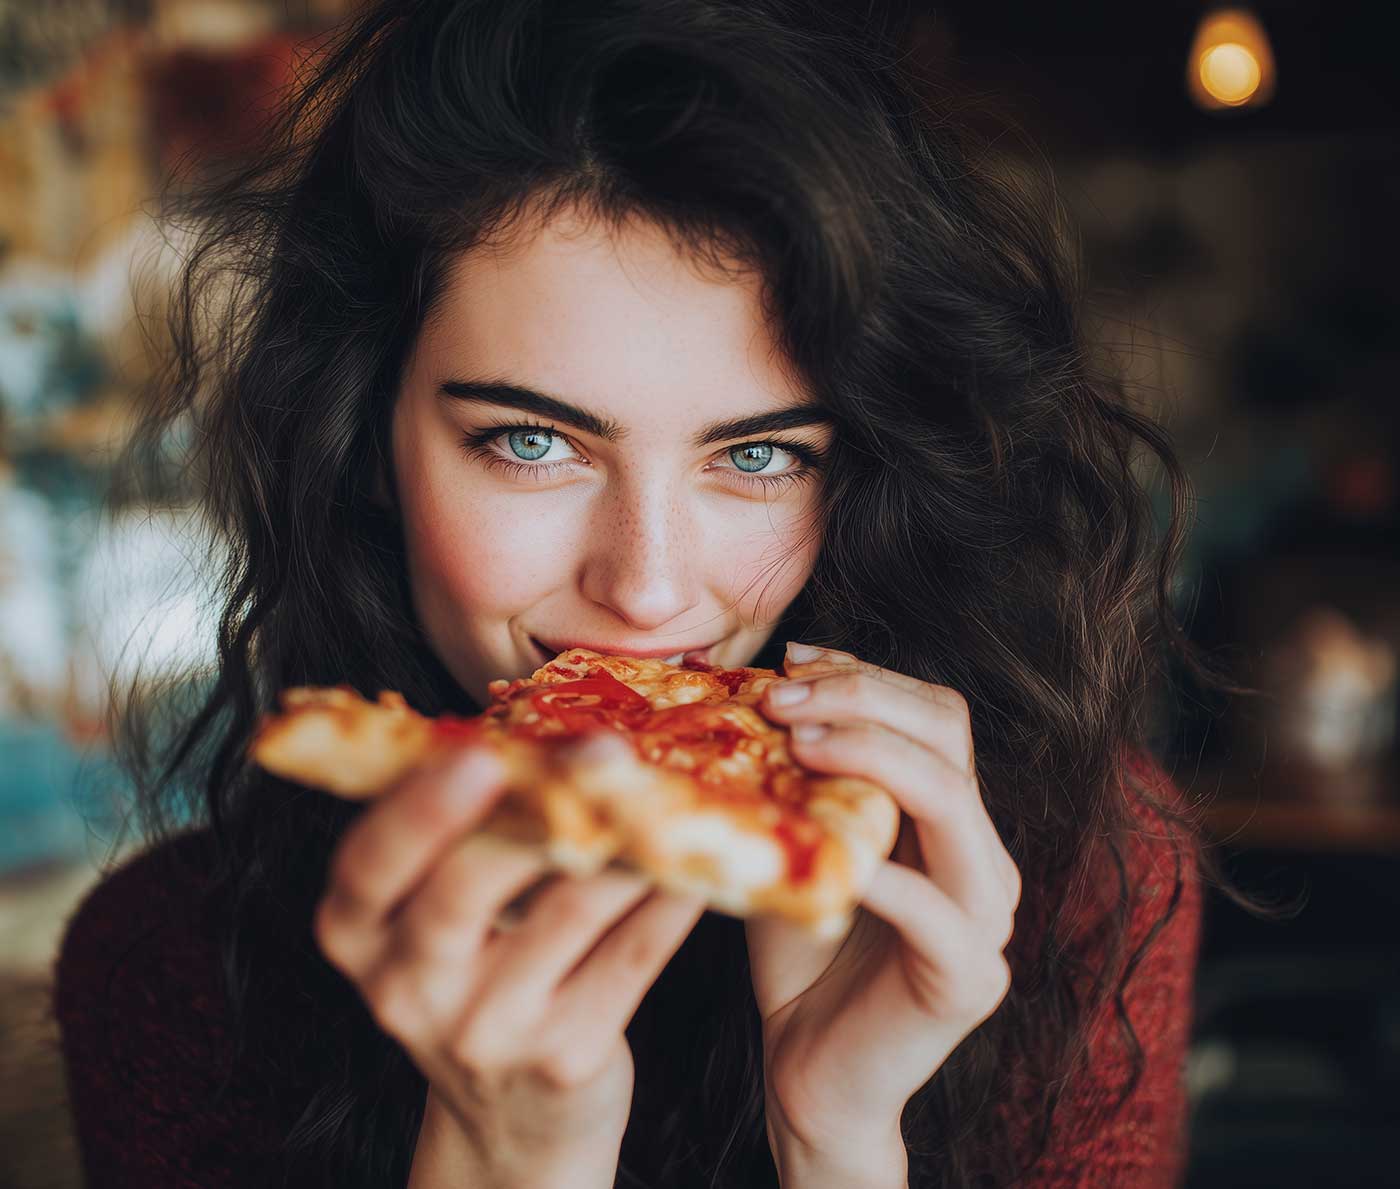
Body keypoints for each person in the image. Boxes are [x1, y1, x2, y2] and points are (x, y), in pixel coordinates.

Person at [51, 1, 1260, 1186]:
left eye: (757, 455)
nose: (645, 590)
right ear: (362, 440)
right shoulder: (165, 964)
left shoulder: (1068, 880)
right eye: (530, 442)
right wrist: (500, 1166)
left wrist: (841, 1146)